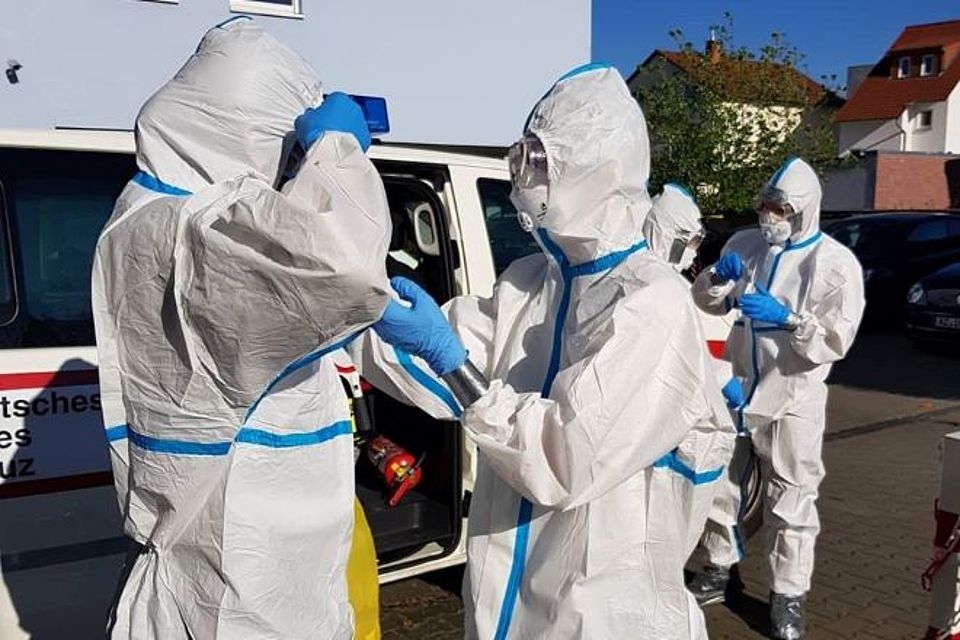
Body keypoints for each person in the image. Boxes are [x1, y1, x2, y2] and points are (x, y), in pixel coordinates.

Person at [351, 64, 734, 639]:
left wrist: (455, 367)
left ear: (602, 171)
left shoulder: (652, 301)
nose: (524, 174)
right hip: (506, 598)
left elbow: (565, 459)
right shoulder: (532, 281)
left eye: (541, 159)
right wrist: (352, 310)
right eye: (524, 155)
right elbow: (437, 352)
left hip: (596, 613)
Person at [91, 19, 392, 638]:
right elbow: (347, 266)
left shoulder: (149, 217)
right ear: (254, 136)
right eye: (290, 149)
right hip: (246, 584)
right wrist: (338, 150)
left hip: (229, 563)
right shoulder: (197, 230)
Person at [688, 157, 865, 640]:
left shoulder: (833, 266)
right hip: (739, 388)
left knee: (792, 497)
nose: (770, 217)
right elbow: (708, 304)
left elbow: (834, 342)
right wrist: (715, 279)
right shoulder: (745, 246)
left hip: (793, 397)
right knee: (722, 487)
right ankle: (718, 569)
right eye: (766, 206)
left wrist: (788, 319)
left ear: (804, 211)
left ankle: (788, 595)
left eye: (780, 209)